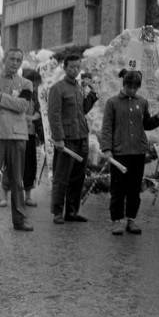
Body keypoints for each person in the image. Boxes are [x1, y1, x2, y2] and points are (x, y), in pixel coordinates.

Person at [0, 48, 34, 233]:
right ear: (4, 59)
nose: (15, 63)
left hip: (17, 136)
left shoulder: (26, 83)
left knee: (17, 180)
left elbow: (22, 106)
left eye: (19, 60)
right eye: (12, 59)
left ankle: (20, 220)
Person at [101, 70, 159, 235]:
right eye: (130, 87)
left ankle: (131, 219)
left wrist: (158, 118)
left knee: (134, 188)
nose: (132, 90)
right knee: (118, 189)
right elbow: (106, 127)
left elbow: (147, 124)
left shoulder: (142, 102)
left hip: (138, 151)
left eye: (136, 87)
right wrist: (106, 149)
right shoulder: (112, 103)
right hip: (119, 152)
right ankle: (117, 220)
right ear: (124, 84)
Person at [48, 54, 97, 224]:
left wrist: (93, 94)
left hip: (82, 137)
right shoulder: (57, 88)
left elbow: (83, 110)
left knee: (78, 177)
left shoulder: (78, 87)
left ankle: (72, 211)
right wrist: (59, 139)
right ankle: (57, 212)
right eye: (72, 67)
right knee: (62, 176)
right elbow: (54, 116)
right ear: (64, 67)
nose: (75, 70)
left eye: (78, 67)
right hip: (67, 139)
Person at [1, 68, 44, 208]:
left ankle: (28, 196)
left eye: (37, 84)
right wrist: (25, 117)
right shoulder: (16, 91)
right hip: (15, 134)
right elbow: (10, 109)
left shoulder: (36, 96)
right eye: (34, 83)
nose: (36, 87)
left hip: (30, 135)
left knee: (30, 165)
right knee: (11, 165)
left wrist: (34, 117)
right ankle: (4, 196)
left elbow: (40, 111)